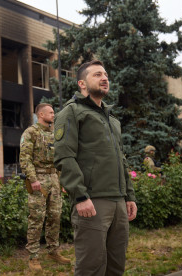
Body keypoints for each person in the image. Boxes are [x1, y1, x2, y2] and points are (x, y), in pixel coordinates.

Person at [54, 60, 137, 275]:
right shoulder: (71, 112)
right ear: (82, 83)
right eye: (97, 74)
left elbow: (121, 159)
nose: (104, 78)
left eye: (106, 75)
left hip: (118, 202)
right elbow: (65, 156)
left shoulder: (113, 120)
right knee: (91, 267)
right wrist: (80, 196)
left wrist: (129, 196)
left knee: (116, 265)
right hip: (92, 201)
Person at [19, 103, 70, 271]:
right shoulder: (31, 132)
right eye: (51, 112)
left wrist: (61, 182)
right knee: (36, 218)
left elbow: (59, 160)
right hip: (38, 179)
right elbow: (25, 158)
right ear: (41, 114)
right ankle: (33, 256)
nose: (54, 115)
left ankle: (52, 251)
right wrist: (33, 179)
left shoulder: (55, 134)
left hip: (54, 178)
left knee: (55, 216)